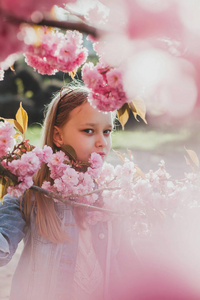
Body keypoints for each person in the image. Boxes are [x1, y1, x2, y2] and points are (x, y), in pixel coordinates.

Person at [0, 85, 136, 300]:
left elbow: (127, 263)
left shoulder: (112, 192)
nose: (102, 142)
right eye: (89, 131)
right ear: (58, 136)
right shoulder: (30, 192)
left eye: (107, 131)